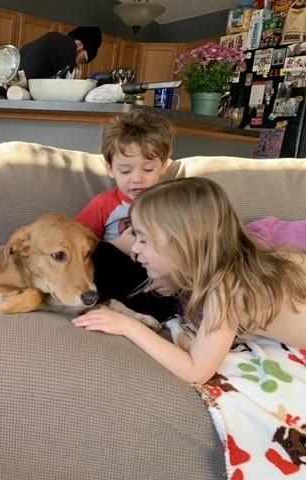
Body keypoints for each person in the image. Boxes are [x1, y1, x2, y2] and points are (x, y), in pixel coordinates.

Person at [73, 177, 306, 384]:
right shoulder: (236, 260)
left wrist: (127, 326)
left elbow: (197, 371)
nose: (134, 248)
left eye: (143, 240)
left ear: (183, 245)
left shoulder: (226, 290)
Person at [76, 110, 178, 321]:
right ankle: (107, 305)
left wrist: (175, 278)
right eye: (125, 171)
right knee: (101, 253)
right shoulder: (104, 204)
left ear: (164, 166)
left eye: (148, 169)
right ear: (110, 169)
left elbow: (191, 250)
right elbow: (75, 243)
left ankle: (143, 313)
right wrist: (117, 244)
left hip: (152, 280)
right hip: (114, 272)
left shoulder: (172, 205)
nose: (136, 179)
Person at [18, 26, 102, 79]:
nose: (79, 65)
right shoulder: (68, 45)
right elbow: (63, 86)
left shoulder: (56, 40)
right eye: (83, 60)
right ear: (79, 44)